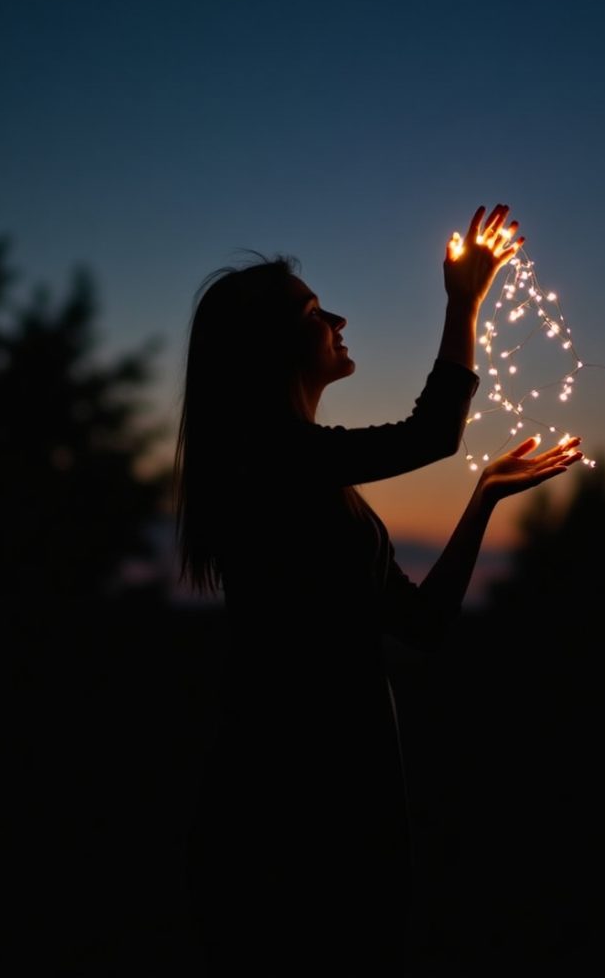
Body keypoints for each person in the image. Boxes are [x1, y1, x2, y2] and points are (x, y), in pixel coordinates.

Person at [174, 204, 582, 975]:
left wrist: (484, 498)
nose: (337, 318)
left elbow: (423, 624)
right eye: (311, 311)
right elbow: (432, 433)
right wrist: (464, 303)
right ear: (272, 347)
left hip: (349, 788)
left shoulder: (319, 488)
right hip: (290, 805)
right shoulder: (272, 461)